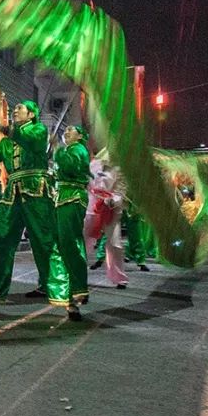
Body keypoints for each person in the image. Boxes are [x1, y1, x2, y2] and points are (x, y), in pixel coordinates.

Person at [0, 100, 66, 314]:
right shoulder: (7, 142)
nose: (15, 110)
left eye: (20, 108)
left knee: (45, 242)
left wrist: (1, 128)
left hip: (37, 190)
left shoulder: (38, 130)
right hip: (12, 193)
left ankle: (63, 294)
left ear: (31, 115)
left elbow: (31, 142)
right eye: (15, 109)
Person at [52, 125, 92, 320]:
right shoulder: (68, 150)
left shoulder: (79, 149)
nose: (65, 132)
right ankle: (66, 296)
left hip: (73, 197)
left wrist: (57, 149)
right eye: (64, 130)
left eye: (70, 130)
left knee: (70, 244)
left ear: (80, 136)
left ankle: (77, 291)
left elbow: (70, 167)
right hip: (61, 197)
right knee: (60, 246)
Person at [85, 154, 129, 292]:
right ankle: (76, 274)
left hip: (111, 209)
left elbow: (121, 190)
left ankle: (119, 277)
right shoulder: (93, 164)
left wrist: (113, 200)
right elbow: (86, 183)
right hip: (92, 206)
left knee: (114, 244)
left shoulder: (120, 168)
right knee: (84, 241)